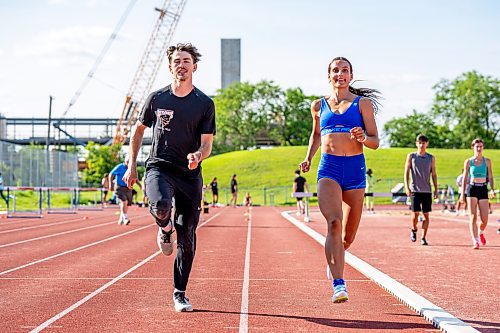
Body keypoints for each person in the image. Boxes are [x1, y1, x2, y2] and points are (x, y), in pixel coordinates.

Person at [123, 43, 215, 312]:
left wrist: (198, 155)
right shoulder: (157, 99)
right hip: (159, 167)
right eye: (177, 61)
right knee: (161, 207)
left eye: (186, 61)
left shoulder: (204, 104)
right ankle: (165, 230)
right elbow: (137, 132)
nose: (182, 65)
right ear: (170, 66)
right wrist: (131, 165)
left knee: (187, 235)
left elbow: (207, 143)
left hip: (189, 175)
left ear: (194, 67)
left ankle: (180, 292)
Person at [299, 57, 380, 303]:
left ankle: (335, 257)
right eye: (336, 70)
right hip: (329, 169)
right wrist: (308, 158)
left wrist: (363, 137)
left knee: (348, 237)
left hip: (355, 170)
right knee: (334, 222)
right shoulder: (318, 106)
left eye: (345, 70)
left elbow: (375, 141)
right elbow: (315, 135)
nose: (340, 74)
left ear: (351, 76)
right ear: (329, 75)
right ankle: (338, 283)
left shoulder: (362, 104)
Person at [459, 138, 495, 249]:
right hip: (472, 189)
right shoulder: (469, 162)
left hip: (483, 189)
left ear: (483, 147)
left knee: (485, 219)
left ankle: (480, 232)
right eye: (477, 146)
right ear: (473, 148)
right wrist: (462, 194)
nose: (479, 148)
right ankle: (475, 241)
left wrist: (492, 189)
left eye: (480, 146)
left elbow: (490, 176)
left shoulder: (487, 161)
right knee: (473, 216)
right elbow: (465, 178)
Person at [404, 134, 438, 246]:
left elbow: (434, 174)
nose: (421, 145)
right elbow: (406, 172)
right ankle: (414, 229)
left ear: (427, 144)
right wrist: (407, 186)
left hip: (427, 190)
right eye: (419, 143)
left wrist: (436, 189)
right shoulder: (412, 156)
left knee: (426, 215)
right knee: (415, 214)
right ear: (416, 143)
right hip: (415, 189)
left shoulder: (431, 158)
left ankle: (423, 237)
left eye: (423, 143)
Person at [109, 157, 133, 225]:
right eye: (128, 162)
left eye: (130, 162)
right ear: (125, 161)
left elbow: (134, 177)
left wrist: (139, 185)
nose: (129, 163)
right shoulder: (120, 166)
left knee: (127, 203)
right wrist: (111, 185)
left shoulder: (131, 167)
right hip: (119, 187)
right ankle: (125, 218)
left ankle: (121, 217)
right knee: (124, 201)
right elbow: (111, 174)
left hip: (128, 187)